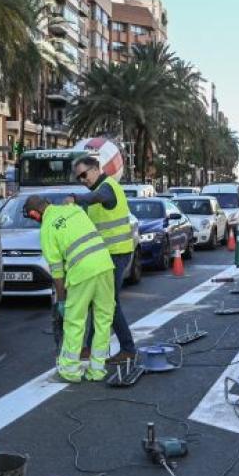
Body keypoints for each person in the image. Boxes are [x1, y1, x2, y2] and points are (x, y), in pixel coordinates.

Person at [25, 194, 116, 382]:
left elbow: (57, 271)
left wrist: (61, 300)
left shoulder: (47, 229)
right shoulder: (72, 210)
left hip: (82, 272)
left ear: (35, 214)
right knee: (103, 318)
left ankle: (69, 370)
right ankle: (98, 369)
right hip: (105, 265)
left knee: (74, 321)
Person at [67, 155, 137, 365]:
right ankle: (89, 347)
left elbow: (98, 197)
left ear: (96, 168)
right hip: (104, 256)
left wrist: (76, 199)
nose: (82, 180)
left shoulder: (107, 188)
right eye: (78, 177)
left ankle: (128, 349)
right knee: (98, 301)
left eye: (84, 174)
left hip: (117, 253)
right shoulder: (96, 193)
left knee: (109, 303)